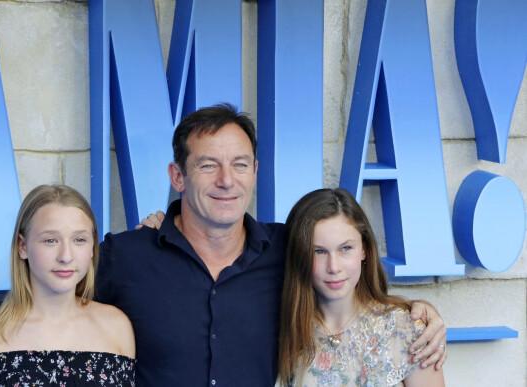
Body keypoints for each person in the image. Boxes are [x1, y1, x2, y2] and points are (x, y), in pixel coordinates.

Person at [95, 103, 447, 386]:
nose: (226, 180)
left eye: (239, 164)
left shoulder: (288, 249)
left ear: (254, 171)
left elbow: (347, 289)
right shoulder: (125, 257)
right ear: (177, 176)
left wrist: (418, 312)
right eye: (208, 165)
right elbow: (53, 303)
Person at [0, 185, 136, 386]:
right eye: (50, 240)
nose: (66, 256)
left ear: (92, 247)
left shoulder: (116, 327)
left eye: (79, 239)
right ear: (22, 247)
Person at [278, 188, 445, 386]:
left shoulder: (406, 328)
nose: (334, 267)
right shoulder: (284, 330)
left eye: (345, 248)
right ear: (301, 256)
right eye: (319, 251)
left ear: (364, 249)